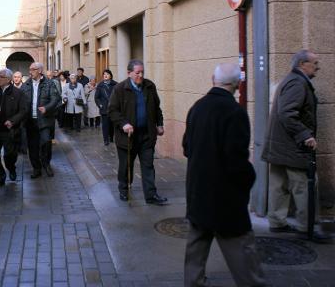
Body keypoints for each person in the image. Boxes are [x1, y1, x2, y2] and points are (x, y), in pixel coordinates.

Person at [182, 63, 266, 287]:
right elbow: (236, 161)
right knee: (242, 254)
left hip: (199, 193)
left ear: (213, 79)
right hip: (225, 200)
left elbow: (186, 147)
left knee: (195, 253)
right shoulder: (235, 112)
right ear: (237, 84)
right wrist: (248, 180)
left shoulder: (197, 107)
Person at [262, 50, 331, 242]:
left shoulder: (291, 80)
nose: (318, 67)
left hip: (279, 146)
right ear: (302, 64)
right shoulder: (298, 83)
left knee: (279, 185)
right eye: (314, 63)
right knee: (304, 186)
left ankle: (277, 222)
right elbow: (287, 113)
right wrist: (305, 135)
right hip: (292, 147)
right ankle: (305, 227)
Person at [108, 59, 167, 204]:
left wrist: (159, 124)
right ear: (129, 73)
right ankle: (124, 189)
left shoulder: (149, 86)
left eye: (142, 72)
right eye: (137, 73)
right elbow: (112, 111)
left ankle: (151, 195)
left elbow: (157, 108)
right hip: (127, 136)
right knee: (126, 165)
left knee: (148, 165)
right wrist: (124, 124)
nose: (140, 75)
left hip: (147, 135)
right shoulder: (120, 89)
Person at [0, 69, 29, 187]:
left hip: (9, 130)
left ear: (8, 80)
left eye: (1, 77)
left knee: (9, 154)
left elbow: (23, 110)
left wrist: (13, 121)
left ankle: (11, 168)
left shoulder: (17, 93)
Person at [21, 62, 61, 178]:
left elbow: (55, 99)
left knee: (46, 143)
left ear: (39, 70)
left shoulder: (49, 84)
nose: (30, 72)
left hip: (45, 120)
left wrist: (46, 108)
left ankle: (46, 164)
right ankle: (36, 168)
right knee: (32, 146)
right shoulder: (26, 84)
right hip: (30, 121)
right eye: (29, 69)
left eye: (32, 69)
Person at [96, 69, 117, 146]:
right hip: (104, 108)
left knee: (111, 124)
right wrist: (100, 105)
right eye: (104, 74)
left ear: (110, 76)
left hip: (113, 108)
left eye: (107, 74)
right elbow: (97, 97)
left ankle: (111, 137)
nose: (105, 75)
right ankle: (106, 139)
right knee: (105, 125)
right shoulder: (100, 85)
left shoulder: (115, 85)